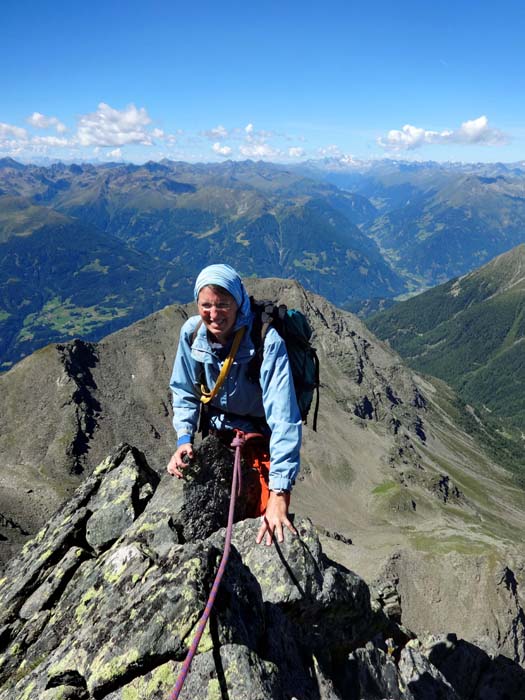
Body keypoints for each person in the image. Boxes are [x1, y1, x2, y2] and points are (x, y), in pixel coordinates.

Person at [167, 263, 302, 546]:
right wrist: (184, 439)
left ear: (238, 302)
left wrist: (279, 494)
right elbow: (184, 390)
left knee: (264, 533)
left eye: (222, 305)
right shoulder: (192, 335)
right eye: (206, 305)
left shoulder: (266, 340)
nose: (214, 315)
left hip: (260, 441)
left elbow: (284, 418)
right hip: (217, 438)